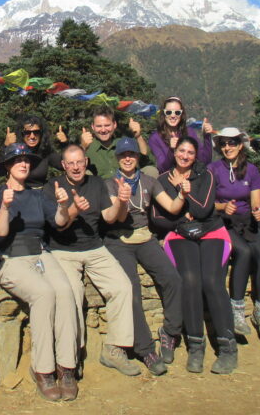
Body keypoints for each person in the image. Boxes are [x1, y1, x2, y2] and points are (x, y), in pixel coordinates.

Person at [0, 143, 79, 401]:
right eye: (17, 160)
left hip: (40, 253)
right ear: (7, 166)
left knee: (65, 291)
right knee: (43, 294)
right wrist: (5, 207)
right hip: (11, 257)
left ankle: (67, 366)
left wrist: (63, 206)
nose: (24, 164)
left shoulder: (39, 196)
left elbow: (59, 223)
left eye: (27, 160)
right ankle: (43, 370)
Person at [44, 143, 140, 376]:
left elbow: (109, 217)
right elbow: (57, 225)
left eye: (80, 162)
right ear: (64, 165)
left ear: (86, 162)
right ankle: (72, 353)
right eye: (71, 163)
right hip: (63, 250)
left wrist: (122, 200)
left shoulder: (96, 183)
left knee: (122, 287)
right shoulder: (52, 186)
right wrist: (73, 208)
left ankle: (114, 348)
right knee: (72, 294)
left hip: (95, 248)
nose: (76, 167)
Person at [152, 136, 237, 375]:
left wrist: (184, 192)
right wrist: (181, 217)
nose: (185, 156)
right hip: (180, 234)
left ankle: (227, 347)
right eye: (182, 151)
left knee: (212, 281)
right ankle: (196, 345)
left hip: (212, 232)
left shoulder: (205, 176)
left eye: (190, 152)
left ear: (195, 155)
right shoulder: (161, 180)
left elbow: (203, 210)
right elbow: (157, 217)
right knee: (190, 281)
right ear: (175, 152)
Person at [102, 138, 184, 376]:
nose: (128, 158)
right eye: (123, 154)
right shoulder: (110, 184)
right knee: (132, 290)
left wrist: (182, 192)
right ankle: (145, 349)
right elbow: (115, 219)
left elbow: (172, 207)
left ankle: (170, 332)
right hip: (120, 240)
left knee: (173, 279)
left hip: (145, 238)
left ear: (138, 157)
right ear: (117, 158)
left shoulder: (149, 181)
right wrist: (122, 200)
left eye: (132, 154)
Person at [209, 127, 260, 340]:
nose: (227, 147)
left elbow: (255, 199)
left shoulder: (252, 170)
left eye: (231, 143)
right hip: (225, 222)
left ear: (240, 145)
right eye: (223, 144)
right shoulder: (213, 169)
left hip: (248, 222)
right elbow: (206, 200)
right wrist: (222, 208)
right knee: (244, 253)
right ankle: (237, 309)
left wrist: (258, 210)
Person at [81, 105, 152, 179]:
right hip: (101, 188)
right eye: (99, 126)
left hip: (128, 185)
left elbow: (146, 161)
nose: (103, 130)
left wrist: (138, 136)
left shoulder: (124, 143)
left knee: (151, 170)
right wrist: (83, 148)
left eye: (107, 125)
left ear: (114, 124)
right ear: (93, 127)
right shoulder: (87, 148)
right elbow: (74, 169)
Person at [148, 96, 213, 174]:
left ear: (182, 115)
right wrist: (171, 150)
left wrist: (207, 136)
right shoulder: (155, 138)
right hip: (169, 180)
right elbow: (163, 169)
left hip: (191, 177)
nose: (173, 116)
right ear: (163, 114)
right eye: (168, 112)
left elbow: (205, 161)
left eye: (177, 112)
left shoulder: (190, 132)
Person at [2, 114, 63, 189]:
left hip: (39, 195)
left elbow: (65, 165)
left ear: (41, 134)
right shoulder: (15, 151)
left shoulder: (45, 151)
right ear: (22, 134)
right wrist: (6, 146)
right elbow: (0, 170)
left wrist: (64, 144)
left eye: (36, 132)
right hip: (17, 193)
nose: (32, 136)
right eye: (27, 132)